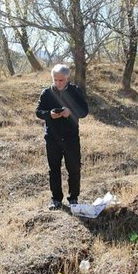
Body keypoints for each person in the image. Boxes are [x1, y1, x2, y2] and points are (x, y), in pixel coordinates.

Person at [36, 64, 89, 210]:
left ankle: (73, 199)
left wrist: (70, 112)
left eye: (61, 80)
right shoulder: (46, 93)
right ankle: (56, 200)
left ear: (67, 78)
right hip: (52, 138)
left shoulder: (75, 91)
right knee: (54, 170)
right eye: (55, 79)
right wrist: (49, 115)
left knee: (74, 168)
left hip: (71, 138)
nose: (58, 83)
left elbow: (84, 111)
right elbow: (38, 112)